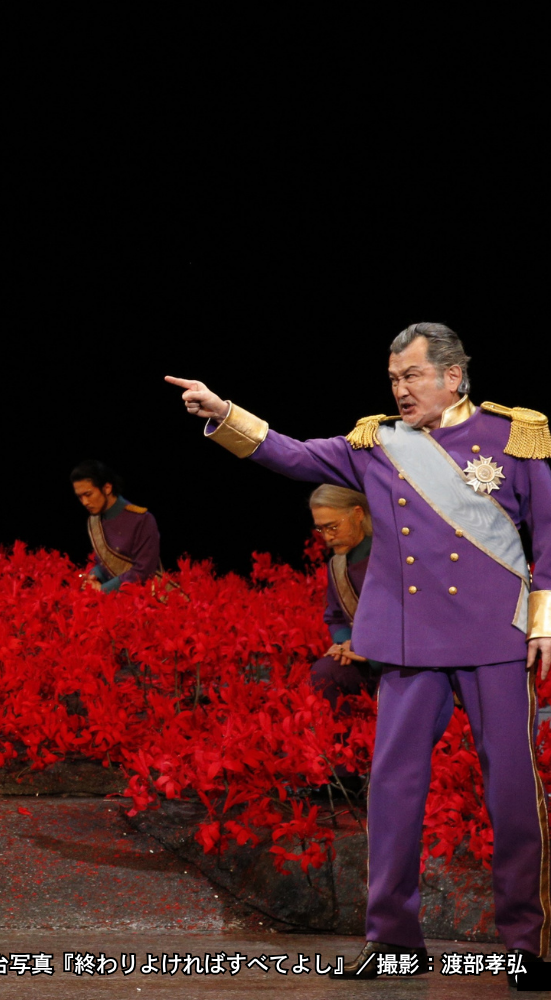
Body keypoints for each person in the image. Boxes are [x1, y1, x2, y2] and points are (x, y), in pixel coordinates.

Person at [167, 322, 550, 987]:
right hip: (408, 641)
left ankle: (528, 948)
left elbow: (547, 537)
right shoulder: (378, 444)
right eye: (394, 378)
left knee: (513, 795)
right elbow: (291, 455)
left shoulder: (515, 437)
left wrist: (544, 623)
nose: (400, 389)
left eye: (412, 376)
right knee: (394, 792)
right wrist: (223, 412)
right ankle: (394, 942)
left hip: (495, 636)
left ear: (452, 376)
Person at [308, 484, 377, 705]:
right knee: (325, 673)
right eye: (321, 529)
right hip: (362, 658)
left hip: (405, 659)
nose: (327, 537)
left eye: (333, 527)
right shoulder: (337, 566)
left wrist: (370, 649)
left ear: (358, 514)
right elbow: (336, 617)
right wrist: (344, 643)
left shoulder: (390, 557)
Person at [70, 460, 162, 592]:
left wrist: (104, 589)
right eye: (80, 497)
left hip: (145, 596)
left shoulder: (142, 519)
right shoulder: (94, 520)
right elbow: (105, 564)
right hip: (110, 597)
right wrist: (93, 577)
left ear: (107, 488)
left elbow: (144, 570)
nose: (84, 502)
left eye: (88, 494)